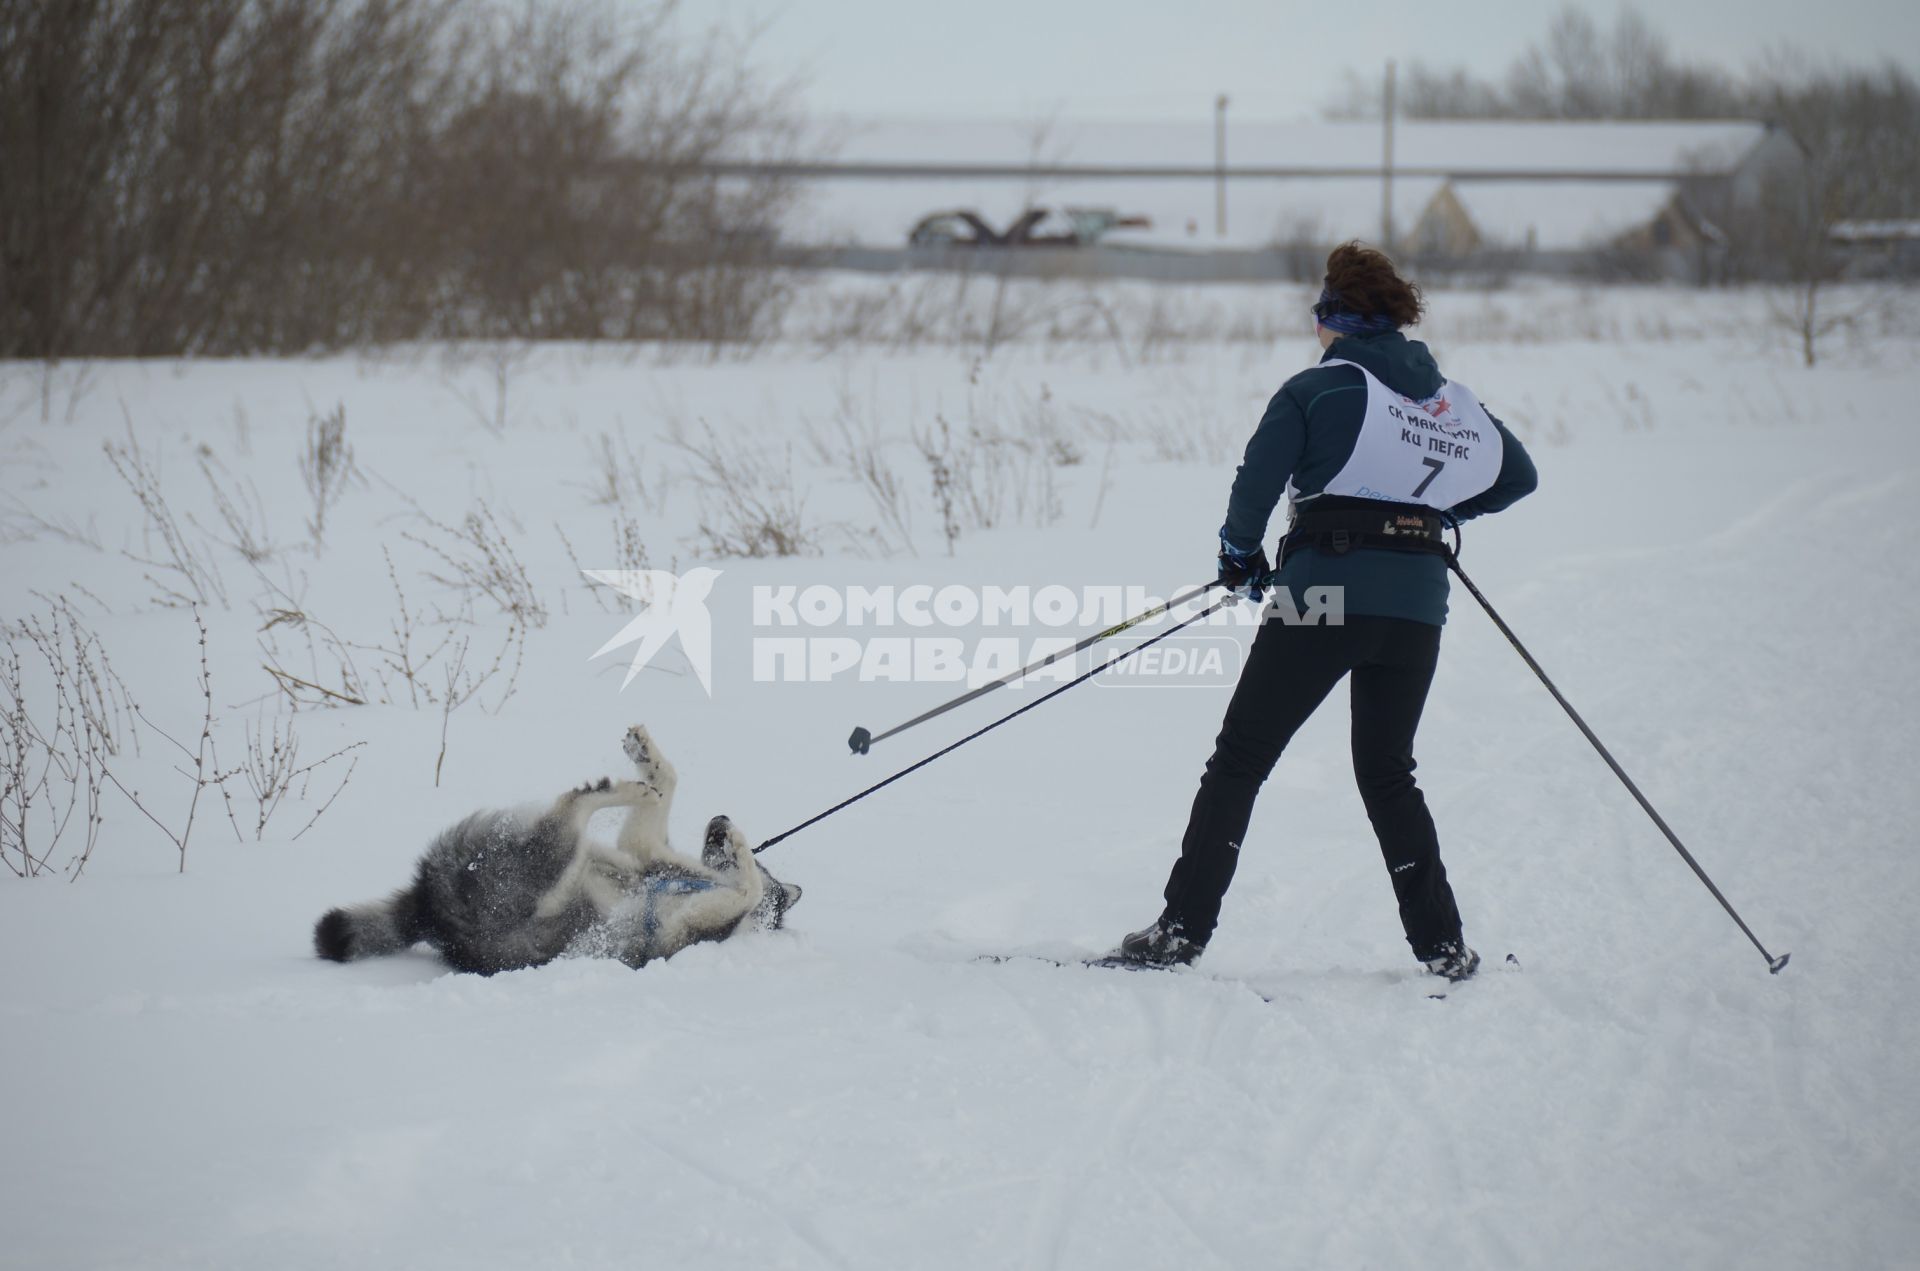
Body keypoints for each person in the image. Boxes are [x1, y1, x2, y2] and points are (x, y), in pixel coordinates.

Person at [1111, 242, 1538, 982]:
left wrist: (1239, 556)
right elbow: (1518, 477)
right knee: (1388, 771)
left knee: (1240, 759)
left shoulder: (1318, 390)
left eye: (1320, 316)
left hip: (1324, 593)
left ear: (1334, 320)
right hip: (1416, 608)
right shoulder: (1450, 399)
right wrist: (1425, 513)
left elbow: (1256, 483)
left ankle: (1183, 929)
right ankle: (1443, 945)